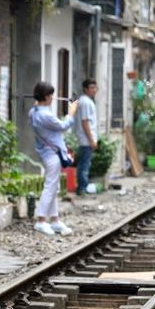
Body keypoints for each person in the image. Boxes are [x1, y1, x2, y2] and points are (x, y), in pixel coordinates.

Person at [29, 81, 78, 236]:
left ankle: (55, 220)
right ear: (46, 96)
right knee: (50, 187)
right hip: (53, 153)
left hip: (45, 151)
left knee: (53, 186)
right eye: (51, 95)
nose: (52, 98)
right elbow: (63, 126)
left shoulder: (34, 112)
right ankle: (41, 220)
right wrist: (71, 112)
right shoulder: (45, 115)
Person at [73, 78, 98, 196]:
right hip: (86, 139)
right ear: (85, 89)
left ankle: (82, 187)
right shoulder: (86, 102)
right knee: (84, 164)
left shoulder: (86, 101)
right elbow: (85, 122)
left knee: (85, 163)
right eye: (91, 88)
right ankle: (82, 188)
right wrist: (91, 140)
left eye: (95, 87)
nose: (94, 90)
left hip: (86, 139)